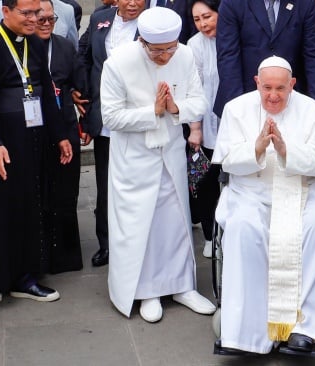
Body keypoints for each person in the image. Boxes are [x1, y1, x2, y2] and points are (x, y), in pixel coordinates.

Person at [212, 56, 315, 355]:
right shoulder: (236, 109)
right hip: (250, 192)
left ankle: (306, 329)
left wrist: (285, 150)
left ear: (292, 84)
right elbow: (226, 160)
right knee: (243, 227)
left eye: (281, 88)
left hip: (304, 190)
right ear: (257, 82)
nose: (273, 95)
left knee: (314, 226)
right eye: (266, 87)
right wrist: (256, 148)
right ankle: (246, 333)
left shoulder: (313, 112)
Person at [101, 6, 215, 323]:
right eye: (158, 51)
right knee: (142, 225)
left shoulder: (185, 55)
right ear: (143, 42)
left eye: (170, 48)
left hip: (171, 151)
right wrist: (151, 112)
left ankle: (182, 285)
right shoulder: (119, 63)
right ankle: (147, 290)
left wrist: (176, 107)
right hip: (134, 158)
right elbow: (110, 116)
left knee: (176, 220)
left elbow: (201, 100)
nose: (166, 56)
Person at [0, 0, 70, 303]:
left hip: (34, 141)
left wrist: (60, 135)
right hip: (2, 144)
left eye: (37, 12)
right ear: (6, 11)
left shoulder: (35, 44)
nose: (34, 18)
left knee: (30, 205)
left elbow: (47, 93)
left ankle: (25, 276)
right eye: (26, 13)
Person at [79, 0, 145, 268]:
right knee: (106, 184)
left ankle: (138, 242)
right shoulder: (100, 19)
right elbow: (84, 56)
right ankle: (106, 243)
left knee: (136, 184)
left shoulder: (153, 23)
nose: (132, 2)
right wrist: (82, 93)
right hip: (105, 117)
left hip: (137, 117)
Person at [35, 0, 86, 273]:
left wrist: (83, 113)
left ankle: (65, 256)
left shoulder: (65, 46)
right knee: (38, 193)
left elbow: (81, 85)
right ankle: (40, 257)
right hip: (34, 129)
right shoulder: (23, 47)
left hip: (65, 124)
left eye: (50, 19)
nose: (45, 24)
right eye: (40, 18)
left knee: (67, 192)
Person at [213, 0, 315, 118]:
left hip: (292, 100)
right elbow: (228, 58)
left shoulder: (304, 3)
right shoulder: (232, 3)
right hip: (246, 96)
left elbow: (313, 57)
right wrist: (238, 109)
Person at [187, 0, 220, 258]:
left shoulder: (235, 35)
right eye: (197, 19)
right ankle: (210, 235)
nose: (203, 24)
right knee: (206, 182)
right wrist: (195, 128)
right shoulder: (195, 45)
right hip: (206, 124)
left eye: (207, 16)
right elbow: (193, 90)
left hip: (233, 124)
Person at [0, 0, 78, 48]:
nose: (33, 19)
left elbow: (73, 49)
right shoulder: (2, 8)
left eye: (51, 19)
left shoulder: (67, 10)